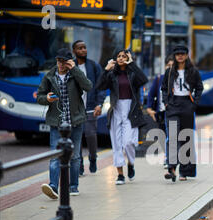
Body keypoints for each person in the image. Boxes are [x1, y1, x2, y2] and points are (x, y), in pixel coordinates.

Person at [37, 48, 93, 198]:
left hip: (75, 122)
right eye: (58, 61)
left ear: (70, 62)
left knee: (74, 157)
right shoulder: (50, 76)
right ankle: (53, 186)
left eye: (64, 61)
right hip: (57, 123)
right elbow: (39, 96)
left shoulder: (75, 75)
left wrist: (74, 69)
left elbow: (88, 86)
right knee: (55, 155)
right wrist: (47, 99)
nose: (61, 64)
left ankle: (73, 186)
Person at [96, 49, 148, 184]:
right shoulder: (112, 74)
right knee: (117, 144)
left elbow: (144, 80)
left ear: (128, 58)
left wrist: (132, 63)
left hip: (131, 111)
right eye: (118, 56)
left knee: (129, 142)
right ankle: (120, 174)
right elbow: (99, 86)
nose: (120, 58)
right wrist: (106, 70)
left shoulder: (133, 73)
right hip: (116, 109)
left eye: (124, 56)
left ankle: (131, 163)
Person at [161, 45, 203, 182]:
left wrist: (194, 104)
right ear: (174, 55)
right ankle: (171, 168)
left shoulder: (193, 71)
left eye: (182, 54)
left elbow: (199, 87)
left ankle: (184, 172)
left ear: (186, 55)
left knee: (186, 138)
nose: (180, 56)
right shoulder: (169, 72)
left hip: (187, 105)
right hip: (173, 106)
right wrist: (166, 102)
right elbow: (164, 88)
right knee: (173, 137)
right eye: (177, 53)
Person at [72, 40, 107, 176]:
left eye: (85, 48)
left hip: (91, 107)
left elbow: (101, 86)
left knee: (91, 135)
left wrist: (99, 103)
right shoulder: (71, 66)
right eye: (80, 48)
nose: (84, 50)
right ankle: (79, 164)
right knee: (77, 138)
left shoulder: (93, 66)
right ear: (74, 51)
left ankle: (93, 158)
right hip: (76, 109)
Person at [146, 55, 174, 168]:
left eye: (173, 66)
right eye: (168, 66)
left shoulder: (178, 79)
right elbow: (151, 94)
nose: (170, 68)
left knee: (171, 136)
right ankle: (167, 156)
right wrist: (149, 108)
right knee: (163, 136)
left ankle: (170, 158)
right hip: (161, 113)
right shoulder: (159, 79)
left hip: (173, 112)